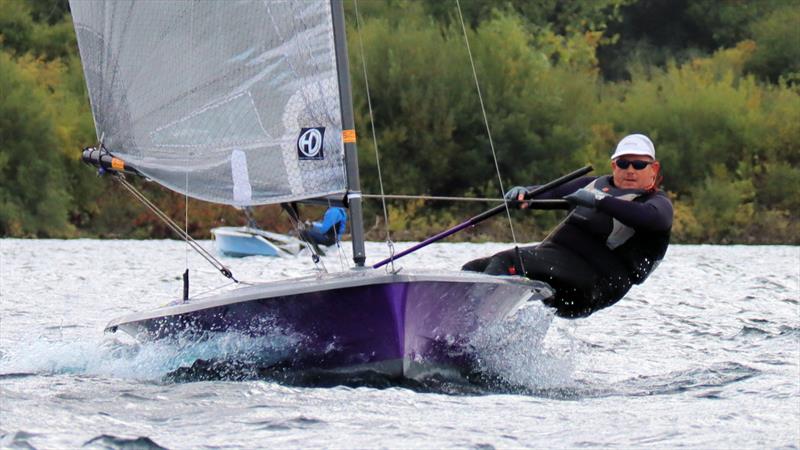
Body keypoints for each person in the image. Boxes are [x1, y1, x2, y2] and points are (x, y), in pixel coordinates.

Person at [463, 134, 673, 318]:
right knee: (475, 269)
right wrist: (526, 193)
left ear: (653, 169)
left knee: (506, 262)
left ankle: (470, 325)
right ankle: (477, 335)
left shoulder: (656, 203)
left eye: (638, 165)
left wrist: (600, 201)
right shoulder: (595, 184)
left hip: (593, 284)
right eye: (623, 163)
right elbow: (552, 193)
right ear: (613, 166)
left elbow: (653, 219)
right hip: (560, 266)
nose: (630, 170)